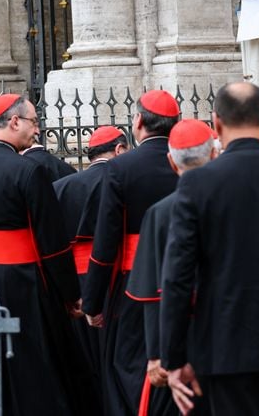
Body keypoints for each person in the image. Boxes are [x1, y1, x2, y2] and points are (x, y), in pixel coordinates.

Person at [161, 82, 259, 416]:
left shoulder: (197, 185)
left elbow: (177, 277)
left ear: (216, 124)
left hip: (227, 346)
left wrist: (174, 357)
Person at [0, 93, 87, 416]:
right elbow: (52, 243)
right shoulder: (29, 171)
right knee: (34, 367)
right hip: (25, 282)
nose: (36, 130)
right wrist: (70, 294)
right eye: (33, 122)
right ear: (14, 122)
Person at [82, 89, 180, 416]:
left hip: (132, 286)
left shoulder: (120, 168)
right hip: (186, 278)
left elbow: (105, 242)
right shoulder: (189, 161)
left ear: (138, 122)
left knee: (128, 367)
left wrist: (93, 302)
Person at [125, 119, 216, 416]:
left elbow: (153, 292)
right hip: (228, 329)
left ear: (171, 162)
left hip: (180, 332)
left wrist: (157, 354)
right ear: (214, 154)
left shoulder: (160, 212)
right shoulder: (233, 201)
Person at [53, 125, 130, 412]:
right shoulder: (124, 181)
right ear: (119, 149)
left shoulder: (61, 187)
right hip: (117, 278)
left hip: (77, 281)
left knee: (85, 360)